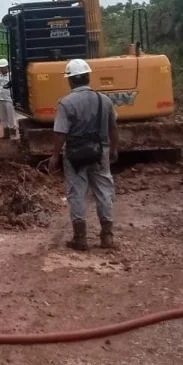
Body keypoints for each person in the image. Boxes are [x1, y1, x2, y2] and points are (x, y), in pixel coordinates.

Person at [48, 58, 119, 251]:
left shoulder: (66, 103)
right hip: (100, 152)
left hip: (75, 155)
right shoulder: (104, 101)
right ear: (88, 77)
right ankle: (107, 236)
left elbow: (60, 132)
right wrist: (113, 149)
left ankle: (80, 238)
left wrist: (54, 156)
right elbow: (113, 128)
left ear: (70, 80)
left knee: (76, 193)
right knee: (104, 191)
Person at [0, 59, 16, 139]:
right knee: (3, 117)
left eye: (3, 67)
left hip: (9, 99)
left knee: (10, 117)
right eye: (0, 68)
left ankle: (13, 134)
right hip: (0, 99)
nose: (1, 69)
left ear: (7, 67)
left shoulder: (11, 76)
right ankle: (6, 134)